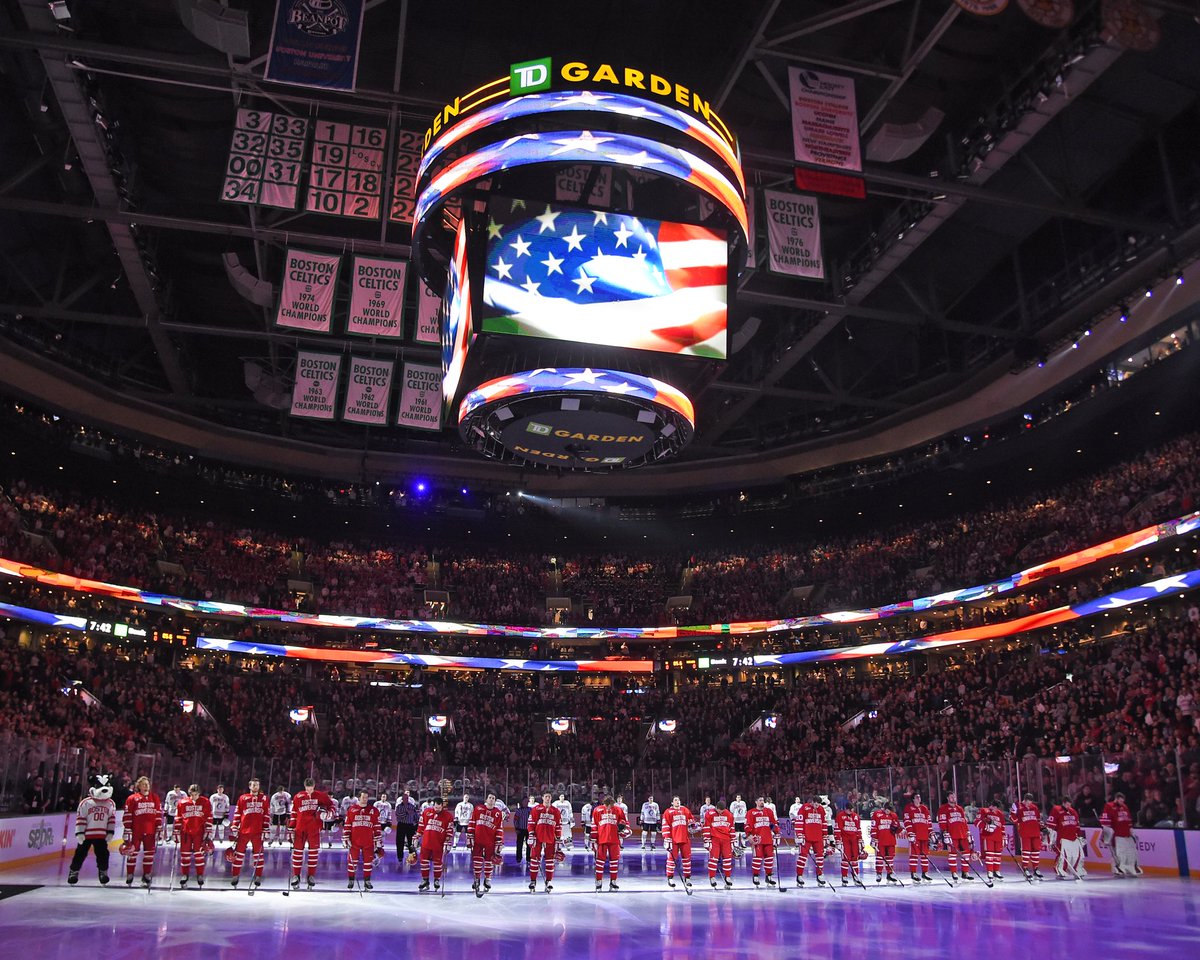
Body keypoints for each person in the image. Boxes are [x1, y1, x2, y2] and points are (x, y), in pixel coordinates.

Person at [68, 773, 116, 885]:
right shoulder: (86, 803)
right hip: (87, 834)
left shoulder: (110, 803)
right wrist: (80, 832)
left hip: (101, 835)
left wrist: (110, 832)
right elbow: (81, 818)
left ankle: (103, 872)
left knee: (103, 854)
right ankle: (73, 872)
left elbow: (111, 820)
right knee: (80, 853)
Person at [289, 777, 336, 889]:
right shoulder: (298, 796)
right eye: (307, 788)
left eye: (311, 788)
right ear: (305, 787)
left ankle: (311, 875)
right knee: (297, 852)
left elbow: (332, 806)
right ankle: (296, 875)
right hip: (300, 829)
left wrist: (328, 814)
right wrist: (291, 828)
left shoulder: (321, 795)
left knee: (313, 853)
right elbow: (294, 813)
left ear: (314, 786)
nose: (309, 790)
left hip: (314, 829)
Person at [121, 775, 162, 887]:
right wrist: (127, 829)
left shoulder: (155, 797)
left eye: (147, 784)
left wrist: (159, 828)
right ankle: (130, 874)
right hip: (136, 831)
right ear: (138, 786)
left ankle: (146, 875)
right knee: (132, 852)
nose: (146, 786)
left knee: (149, 854)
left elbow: (158, 814)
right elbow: (128, 815)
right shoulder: (132, 798)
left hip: (150, 831)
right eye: (144, 784)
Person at [229, 777, 269, 888]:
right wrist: (235, 826)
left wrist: (266, 829)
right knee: (239, 854)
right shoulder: (243, 798)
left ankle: (258, 876)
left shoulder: (264, 799)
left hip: (258, 832)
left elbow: (266, 814)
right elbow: (238, 813)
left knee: (258, 855)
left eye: (257, 784)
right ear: (249, 786)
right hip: (244, 831)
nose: (255, 786)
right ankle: (235, 876)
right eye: (253, 785)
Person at [174, 783, 213, 889]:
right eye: (192, 794)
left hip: (199, 833)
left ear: (199, 793)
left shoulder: (205, 802)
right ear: (189, 793)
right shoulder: (183, 802)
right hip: (186, 832)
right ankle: (184, 874)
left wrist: (208, 831)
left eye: (196, 794)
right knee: (185, 855)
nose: (194, 796)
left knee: (199, 855)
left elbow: (209, 816)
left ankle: (200, 875)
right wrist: (176, 831)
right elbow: (178, 818)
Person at [344, 789, 383, 890]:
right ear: (359, 798)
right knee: (352, 861)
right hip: (354, 841)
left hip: (368, 841)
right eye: (363, 797)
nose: (365, 799)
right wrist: (346, 838)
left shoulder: (373, 810)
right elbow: (347, 825)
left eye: (366, 797)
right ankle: (351, 880)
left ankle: (367, 881)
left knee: (368, 861)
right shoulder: (352, 809)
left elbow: (377, 827)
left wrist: (378, 843)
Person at [469, 793, 506, 897]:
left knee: (489, 861)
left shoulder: (497, 813)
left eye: (493, 798)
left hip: (491, 842)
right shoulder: (478, 808)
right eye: (490, 798)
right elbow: (472, 822)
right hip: (478, 840)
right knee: (477, 860)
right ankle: (476, 879)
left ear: (495, 801)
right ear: (486, 799)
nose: (491, 800)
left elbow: (499, 828)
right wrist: (470, 837)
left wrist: (499, 842)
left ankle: (487, 879)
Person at [591, 794, 630, 891]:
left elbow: (624, 821)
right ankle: (598, 882)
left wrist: (622, 826)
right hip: (601, 840)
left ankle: (613, 882)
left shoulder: (618, 809)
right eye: (608, 805)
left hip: (614, 840)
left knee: (614, 861)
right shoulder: (597, 810)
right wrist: (593, 839)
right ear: (604, 803)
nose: (610, 807)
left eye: (611, 805)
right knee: (600, 862)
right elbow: (594, 825)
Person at [416, 797, 454, 892]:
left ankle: (436, 880)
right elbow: (421, 826)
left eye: (439, 808)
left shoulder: (448, 816)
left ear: (442, 806)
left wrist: (448, 841)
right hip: (426, 842)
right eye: (435, 807)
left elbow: (449, 831)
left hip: (438, 843)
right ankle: (425, 880)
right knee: (424, 862)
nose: (437, 809)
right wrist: (417, 836)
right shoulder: (426, 812)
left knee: (437, 863)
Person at [529, 792, 563, 892]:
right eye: (546, 797)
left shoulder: (555, 811)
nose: (547, 798)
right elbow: (531, 823)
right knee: (534, 860)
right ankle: (533, 881)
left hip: (551, 838)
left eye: (549, 797)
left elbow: (558, 826)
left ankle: (548, 881)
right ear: (543, 797)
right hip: (538, 837)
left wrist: (558, 838)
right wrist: (531, 834)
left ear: (551, 798)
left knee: (550, 861)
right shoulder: (536, 809)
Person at [937, 791, 974, 882]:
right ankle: (954, 872)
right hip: (952, 835)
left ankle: (965, 873)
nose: (953, 798)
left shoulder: (960, 808)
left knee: (966, 854)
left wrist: (968, 833)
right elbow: (942, 822)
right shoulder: (943, 809)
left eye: (954, 796)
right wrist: (945, 833)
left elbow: (964, 822)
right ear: (947, 798)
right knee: (952, 854)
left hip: (963, 835)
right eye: (951, 796)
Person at [662, 795, 697, 891]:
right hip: (673, 840)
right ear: (672, 803)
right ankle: (670, 878)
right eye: (675, 800)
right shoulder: (668, 812)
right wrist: (667, 839)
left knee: (687, 859)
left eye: (678, 800)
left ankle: (687, 878)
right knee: (671, 860)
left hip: (685, 839)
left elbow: (691, 820)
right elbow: (665, 826)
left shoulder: (685, 810)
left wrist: (693, 826)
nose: (677, 802)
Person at [1101, 792, 1140, 876]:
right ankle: (1116, 867)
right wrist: (1106, 836)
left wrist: (1131, 830)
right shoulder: (1109, 806)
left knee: (1127, 851)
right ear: (1116, 799)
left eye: (1123, 801)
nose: (1122, 802)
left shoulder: (1124, 807)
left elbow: (1128, 820)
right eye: (1121, 800)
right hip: (1116, 834)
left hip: (1125, 833)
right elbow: (1105, 822)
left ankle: (1127, 867)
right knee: (1117, 851)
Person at [794, 794, 829, 887]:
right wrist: (800, 835)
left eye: (819, 804)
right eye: (816, 804)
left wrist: (825, 836)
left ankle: (820, 875)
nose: (817, 806)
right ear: (812, 802)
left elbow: (824, 823)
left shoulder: (821, 809)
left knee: (820, 857)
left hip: (818, 838)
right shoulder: (804, 808)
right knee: (803, 856)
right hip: (806, 837)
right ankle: (799, 875)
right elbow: (799, 821)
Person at [1048, 796, 1085, 880]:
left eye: (1070, 804)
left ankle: (1077, 870)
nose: (1068, 806)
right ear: (1063, 803)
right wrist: (1051, 839)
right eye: (1067, 804)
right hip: (1062, 838)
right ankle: (1060, 869)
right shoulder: (1056, 810)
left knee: (1077, 855)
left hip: (1073, 838)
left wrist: (1079, 836)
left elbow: (1077, 826)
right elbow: (1051, 826)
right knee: (1063, 855)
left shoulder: (1073, 812)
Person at [745, 796, 780, 887]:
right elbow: (748, 825)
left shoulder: (769, 811)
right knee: (758, 857)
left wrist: (776, 831)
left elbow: (774, 823)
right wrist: (749, 835)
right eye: (760, 800)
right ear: (756, 802)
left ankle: (768, 876)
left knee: (769, 858)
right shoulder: (751, 812)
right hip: (757, 839)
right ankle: (755, 876)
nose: (762, 802)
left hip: (768, 839)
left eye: (763, 800)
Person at [703, 799, 736, 888]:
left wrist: (733, 841)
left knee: (727, 859)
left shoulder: (729, 815)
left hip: (726, 840)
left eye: (722, 810)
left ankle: (728, 877)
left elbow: (732, 829)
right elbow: (706, 827)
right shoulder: (709, 814)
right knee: (714, 859)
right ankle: (712, 877)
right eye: (719, 810)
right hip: (715, 839)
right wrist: (707, 840)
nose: (721, 812)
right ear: (716, 808)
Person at [1011, 792, 1045, 880]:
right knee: (1026, 851)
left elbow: (1038, 819)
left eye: (1030, 802)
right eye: (1028, 802)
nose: (1029, 804)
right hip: (1025, 832)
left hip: (1035, 832)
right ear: (1024, 800)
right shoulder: (1018, 806)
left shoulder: (1034, 807)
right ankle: (1025, 868)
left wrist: (1042, 828)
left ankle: (1036, 869)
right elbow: (1013, 818)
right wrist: (1016, 817)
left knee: (1036, 851)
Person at [903, 791, 934, 883]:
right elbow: (907, 821)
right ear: (913, 799)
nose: (918, 799)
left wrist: (931, 833)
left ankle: (925, 873)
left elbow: (928, 822)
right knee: (914, 855)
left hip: (924, 836)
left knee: (925, 855)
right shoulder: (908, 808)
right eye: (916, 797)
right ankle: (913, 873)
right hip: (915, 836)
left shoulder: (924, 808)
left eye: (919, 797)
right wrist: (910, 833)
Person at [975, 797, 1007, 882]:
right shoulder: (984, 811)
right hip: (988, 836)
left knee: (997, 855)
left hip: (998, 837)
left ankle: (996, 871)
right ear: (992, 806)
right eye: (995, 807)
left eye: (997, 808)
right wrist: (986, 826)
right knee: (990, 855)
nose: (996, 809)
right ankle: (990, 871)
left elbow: (1003, 826)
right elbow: (977, 822)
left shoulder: (1000, 813)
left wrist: (1004, 837)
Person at [870, 801, 901, 883]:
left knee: (890, 858)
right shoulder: (877, 814)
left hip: (890, 840)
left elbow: (897, 828)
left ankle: (889, 875)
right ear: (884, 808)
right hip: (881, 840)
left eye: (890, 810)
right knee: (879, 858)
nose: (889, 811)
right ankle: (879, 874)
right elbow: (873, 827)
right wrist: (873, 838)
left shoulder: (893, 815)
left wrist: (900, 829)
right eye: (887, 809)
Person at [833, 801, 863, 886]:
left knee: (855, 859)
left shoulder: (856, 816)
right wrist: (838, 841)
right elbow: (837, 829)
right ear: (846, 809)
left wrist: (860, 840)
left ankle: (856, 876)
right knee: (846, 859)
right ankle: (844, 876)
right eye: (849, 810)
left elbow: (858, 829)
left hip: (854, 840)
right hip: (845, 840)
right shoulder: (840, 816)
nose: (851, 812)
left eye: (852, 810)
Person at [395, 789, 419, 859]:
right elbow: (398, 815)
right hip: (401, 825)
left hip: (410, 825)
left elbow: (415, 815)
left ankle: (411, 856)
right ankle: (400, 857)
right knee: (400, 841)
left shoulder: (412, 806)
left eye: (407, 798)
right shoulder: (399, 806)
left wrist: (416, 823)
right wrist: (406, 812)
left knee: (410, 842)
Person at [513, 796, 532, 863]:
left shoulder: (530, 810)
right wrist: (516, 828)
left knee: (529, 844)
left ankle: (528, 858)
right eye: (525, 801)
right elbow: (515, 820)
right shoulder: (519, 810)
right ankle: (519, 857)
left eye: (527, 801)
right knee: (519, 844)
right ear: (522, 802)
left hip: (529, 830)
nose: (526, 803)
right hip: (520, 829)